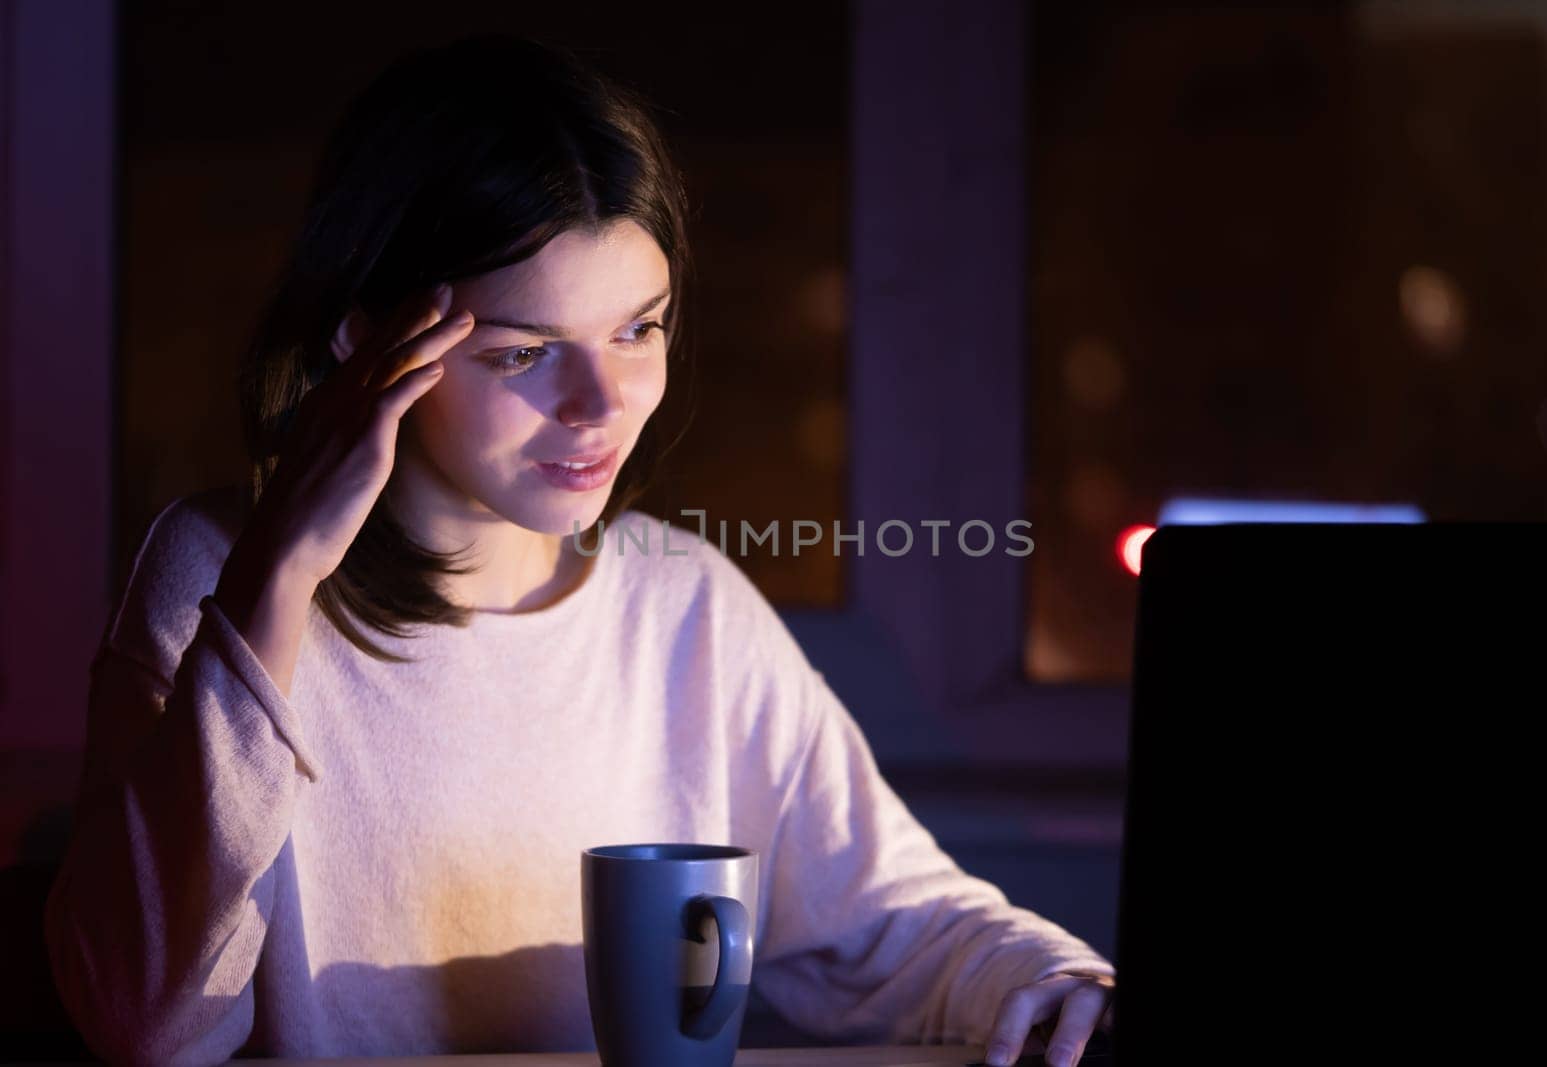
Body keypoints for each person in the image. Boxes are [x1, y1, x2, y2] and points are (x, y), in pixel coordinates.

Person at [43, 32, 1113, 1067]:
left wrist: (1059, 980)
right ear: (365, 341)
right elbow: (147, 1023)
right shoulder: (218, 572)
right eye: (524, 352)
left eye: (637, 329)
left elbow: (895, 917)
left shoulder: (682, 603)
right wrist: (276, 584)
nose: (601, 405)